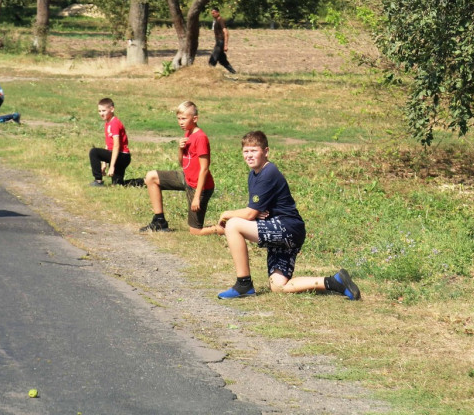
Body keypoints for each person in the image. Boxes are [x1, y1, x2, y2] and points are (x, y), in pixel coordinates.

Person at [213, 130, 360, 301]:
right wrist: (256, 213)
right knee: (278, 286)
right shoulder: (254, 175)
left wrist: (227, 214)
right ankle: (334, 282)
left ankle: (243, 284)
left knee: (233, 225)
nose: (249, 155)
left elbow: (250, 213)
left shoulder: (269, 172)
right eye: (246, 151)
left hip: (287, 228)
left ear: (266, 152)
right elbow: (256, 211)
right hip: (283, 230)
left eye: (254, 150)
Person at [140, 101, 215, 234]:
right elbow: (182, 163)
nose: (180, 122)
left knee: (195, 231)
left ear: (195, 118)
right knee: (151, 177)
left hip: (199, 187)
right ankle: (159, 221)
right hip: (186, 178)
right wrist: (180, 149)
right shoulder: (188, 133)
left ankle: (223, 228)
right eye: (179, 119)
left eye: (184, 119)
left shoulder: (201, 138)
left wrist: (197, 197)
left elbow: (204, 169)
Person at [89, 98, 130, 186]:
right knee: (117, 184)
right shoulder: (108, 123)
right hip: (116, 155)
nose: (101, 113)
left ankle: (98, 181)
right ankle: (143, 181)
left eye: (104, 110)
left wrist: (112, 166)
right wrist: (104, 164)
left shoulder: (115, 123)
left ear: (112, 109)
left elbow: (116, 146)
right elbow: (108, 145)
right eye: (99, 111)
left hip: (122, 156)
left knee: (94, 152)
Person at [207, 8, 236, 73]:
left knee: (213, 58)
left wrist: (225, 45)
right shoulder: (217, 21)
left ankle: (209, 72)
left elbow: (226, 33)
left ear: (218, 13)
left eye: (214, 13)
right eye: (212, 13)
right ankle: (233, 72)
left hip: (220, 42)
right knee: (222, 60)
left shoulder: (221, 20)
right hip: (219, 41)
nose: (213, 15)